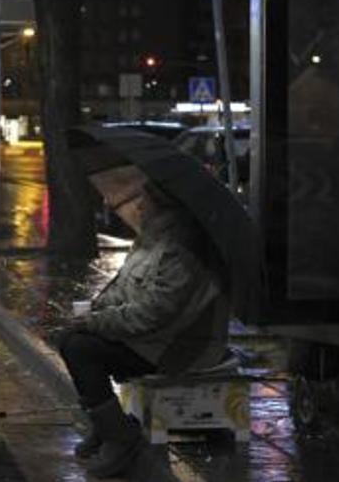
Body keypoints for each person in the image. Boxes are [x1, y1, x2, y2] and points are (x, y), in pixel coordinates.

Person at [58, 177, 227, 479]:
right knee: (74, 336)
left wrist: (96, 323)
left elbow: (154, 313)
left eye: (145, 198)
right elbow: (122, 287)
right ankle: (108, 425)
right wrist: (95, 311)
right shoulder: (153, 238)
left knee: (80, 348)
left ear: (164, 206)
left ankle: (120, 438)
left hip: (178, 346)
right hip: (155, 338)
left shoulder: (182, 248)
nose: (139, 205)